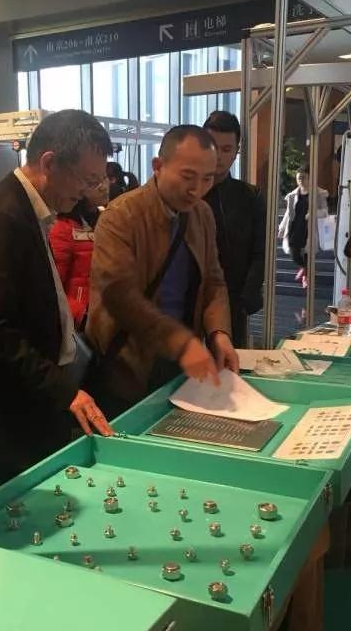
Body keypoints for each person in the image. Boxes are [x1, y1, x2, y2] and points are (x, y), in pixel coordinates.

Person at [0, 109, 114, 486]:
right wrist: (63, 390)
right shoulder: (1, 217)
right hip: (11, 407)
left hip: (30, 397)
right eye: (86, 179)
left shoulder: (27, 210)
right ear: (49, 163)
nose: (87, 191)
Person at [87, 124, 238, 416]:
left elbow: (214, 281)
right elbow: (119, 294)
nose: (197, 189)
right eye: (187, 176)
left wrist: (219, 333)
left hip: (183, 361)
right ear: (158, 166)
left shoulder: (201, 214)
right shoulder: (121, 215)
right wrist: (180, 342)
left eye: (207, 178)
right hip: (129, 362)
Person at [203, 111, 266, 347]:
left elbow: (260, 252)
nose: (218, 156)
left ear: (236, 151)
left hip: (234, 300)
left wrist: (245, 297)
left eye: (226, 149)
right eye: (212, 147)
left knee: (230, 361)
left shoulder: (249, 196)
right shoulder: (188, 193)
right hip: (188, 300)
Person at [49, 173, 109, 329]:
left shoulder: (109, 220)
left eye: (105, 178)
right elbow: (54, 288)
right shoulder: (63, 228)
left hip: (109, 314)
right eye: (94, 182)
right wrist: (81, 315)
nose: (103, 187)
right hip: (80, 322)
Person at [278, 165, 328, 289]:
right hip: (294, 227)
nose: (300, 180)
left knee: (307, 254)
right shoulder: (293, 195)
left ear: (310, 178)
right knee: (294, 253)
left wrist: (313, 213)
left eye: (303, 177)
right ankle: (306, 269)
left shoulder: (319, 194)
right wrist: (282, 228)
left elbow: (325, 212)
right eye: (298, 178)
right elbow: (288, 213)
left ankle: (306, 276)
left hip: (309, 228)